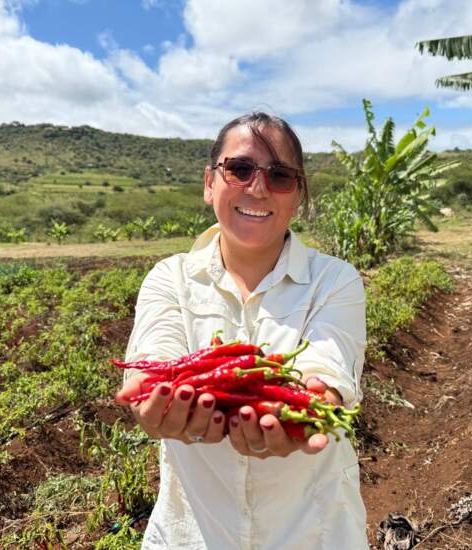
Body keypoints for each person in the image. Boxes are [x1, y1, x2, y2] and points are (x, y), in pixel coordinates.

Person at [115, 112, 367, 549]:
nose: (257, 187)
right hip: (194, 534)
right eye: (240, 169)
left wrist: (311, 405)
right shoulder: (169, 278)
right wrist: (149, 396)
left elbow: (325, 370)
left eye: (280, 175)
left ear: (298, 195)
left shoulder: (336, 281)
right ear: (210, 182)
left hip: (314, 533)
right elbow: (155, 361)